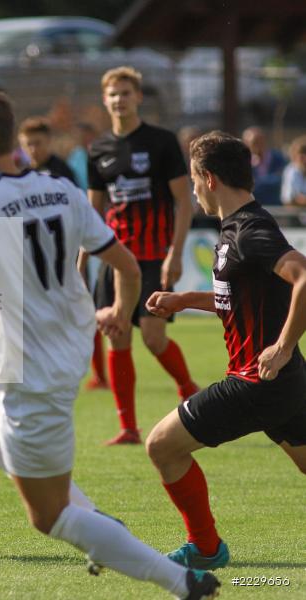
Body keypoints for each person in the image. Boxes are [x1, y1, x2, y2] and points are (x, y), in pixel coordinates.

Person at [0, 83, 220, 600]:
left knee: (49, 517)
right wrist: (118, 313)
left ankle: (179, 580)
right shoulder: (61, 190)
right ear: (12, 136)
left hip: (32, 371)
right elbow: (126, 266)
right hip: (62, 344)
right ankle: (95, 520)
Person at [145, 131, 306, 571]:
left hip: (257, 381)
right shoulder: (236, 229)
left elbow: (304, 278)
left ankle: (205, 547)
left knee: (161, 446)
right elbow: (236, 297)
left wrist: (283, 345)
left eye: (195, 179)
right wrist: (183, 300)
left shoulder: (250, 230)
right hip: (283, 383)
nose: (193, 189)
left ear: (209, 179)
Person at [87, 66, 198, 446]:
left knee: (152, 337)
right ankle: (128, 428)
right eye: (113, 94)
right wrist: (83, 260)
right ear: (105, 100)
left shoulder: (162, 142)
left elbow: (184, 202)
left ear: (138, 98)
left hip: (153, 257)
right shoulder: (98, 149)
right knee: (116, 335)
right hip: (116, 260)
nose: (119, 99)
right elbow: (94, 213)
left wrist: (175, 253)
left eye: (125, 93)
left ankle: (187, 387)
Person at [66, 121, 109, 390]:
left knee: (91, 303)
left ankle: (100, 373)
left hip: (96, 232)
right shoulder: (75, 159)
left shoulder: (100, 156)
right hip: (75, 232)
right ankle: (97, 373)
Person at [18, 116, 77, 183]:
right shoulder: (22, 175)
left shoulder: (61, 172)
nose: (33, 149)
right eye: (28, 144)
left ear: (48, 141)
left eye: (37, 143)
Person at [242, 126, 287, 206]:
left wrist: (256, 183)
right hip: (253, 207)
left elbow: (281, 179)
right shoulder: (243, 161)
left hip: (276, 207)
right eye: (254, 143)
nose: (258, 146)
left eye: (261, 141)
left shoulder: (278, 158)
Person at [281, 135, 306, 207]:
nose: (304, 157)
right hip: (294, 217)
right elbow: (289, 200)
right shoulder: (291, 171)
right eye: (302, 153)